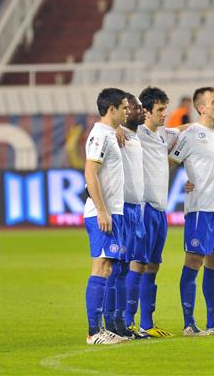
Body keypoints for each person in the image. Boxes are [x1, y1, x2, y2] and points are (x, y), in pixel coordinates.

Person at [170, 87, 214, 335]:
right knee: (194, 262)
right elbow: (168, 162)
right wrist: (183, 183)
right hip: (201, 209)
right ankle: (189, 323)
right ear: (201, 108)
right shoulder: (190, 135)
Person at [124, 87, 179, 338]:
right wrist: (116, 128)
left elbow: (184, 129)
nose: (164, 114)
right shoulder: (137, 133)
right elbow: (116, 125)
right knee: (138, 263)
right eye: (160, 110)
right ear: (145, 112)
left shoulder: (163, 135)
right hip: (144, 208)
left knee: (154, 265)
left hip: (160, 210)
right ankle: (127, 323)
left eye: (165, 109)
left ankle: (147, 323)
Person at [84, 87, 129, 345]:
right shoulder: (100, 135)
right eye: (123, 107)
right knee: (101, 266)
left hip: (113, 212)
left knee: (108, 266)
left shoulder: (109, 133)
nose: (127, 111)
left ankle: (99, 329)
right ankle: (93, 332)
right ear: (111, 110)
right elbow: (90, 173)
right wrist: (102, 210)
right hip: (102, 213)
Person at [103, 93, 148, 340]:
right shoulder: (113, 134)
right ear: (123, 111)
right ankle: (110, 322)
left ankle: (120, 322)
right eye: (136, 107)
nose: (143, 111)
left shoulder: (136, 137)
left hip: (136, 210)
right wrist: (115, 127)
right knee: (115, 267)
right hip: (122, 210)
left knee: (124, 269)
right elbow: (99, 128)